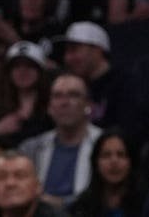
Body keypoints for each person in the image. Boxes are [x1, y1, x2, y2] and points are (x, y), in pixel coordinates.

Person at [18, 73, 102, 204]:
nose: (64, 102)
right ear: (49, 107)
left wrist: (61, 204)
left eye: (73, 95)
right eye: (57, 96)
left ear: (88, 105)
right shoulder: (30, 148)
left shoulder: (103, 144)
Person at [67, 130, 149, 217]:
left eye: (121, 155)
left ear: (132, 162)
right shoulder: (81, 207)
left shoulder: (147, 202)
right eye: (106, 155)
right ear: (96, 162)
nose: (114, 161)